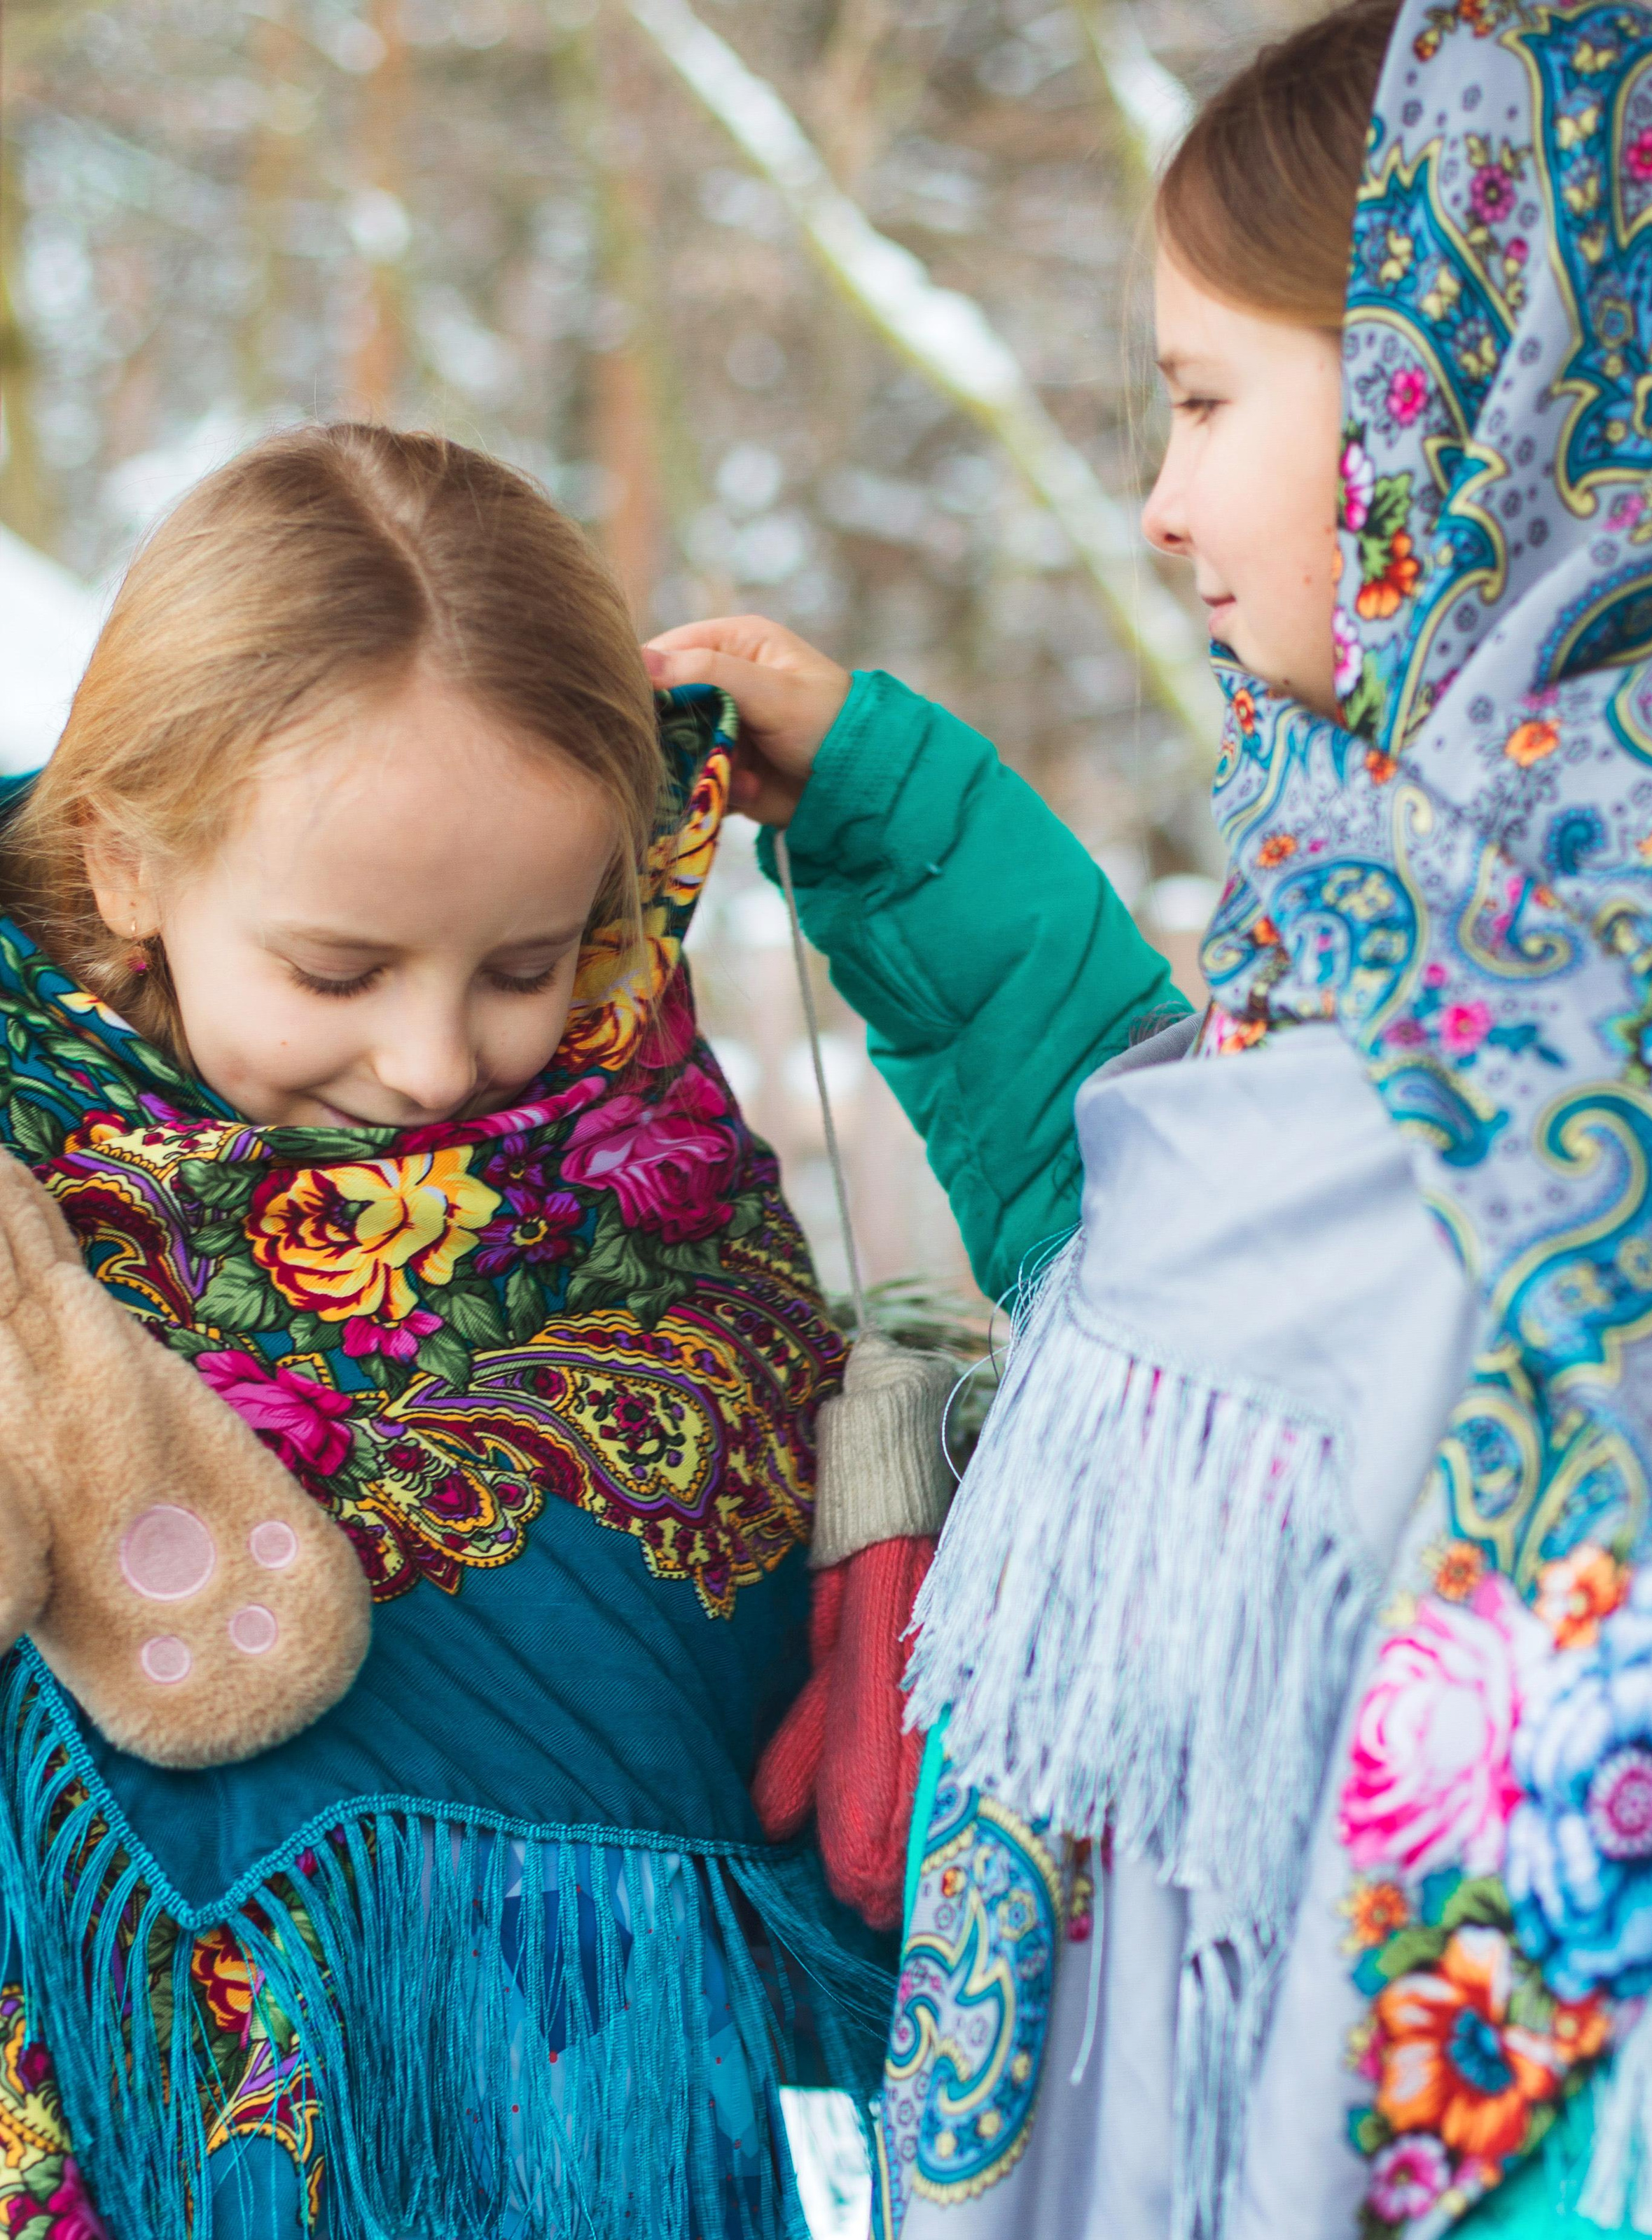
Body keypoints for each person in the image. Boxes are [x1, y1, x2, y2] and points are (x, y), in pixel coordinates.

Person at [646, 0, 1652, 2231]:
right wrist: (877, 799)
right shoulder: (1360, 884)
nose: (1162, 502)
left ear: (1459, 386)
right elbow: (1150, 1246)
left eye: (1201, 400)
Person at [0, 422, 890, 2240]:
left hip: (599, 2132)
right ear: (126, 869)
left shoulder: (651, 1184)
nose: (428, 1061)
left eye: (520, 964)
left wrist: (906, 804)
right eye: (338, 972)